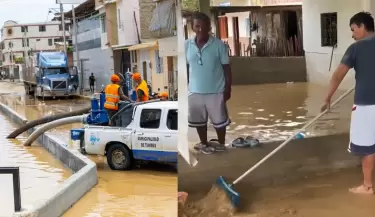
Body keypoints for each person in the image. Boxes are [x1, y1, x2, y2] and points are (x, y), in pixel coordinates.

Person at [321, 12, 375, 194]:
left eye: (353, 29)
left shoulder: (356, 48)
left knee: (368, 145)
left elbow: (338, 75)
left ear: (362, 27)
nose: (352, 34)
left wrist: (328, 97)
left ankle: (367, 186)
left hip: (366, 104)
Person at [185, 12, 232, 154]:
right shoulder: (186, 45)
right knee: (199, 122)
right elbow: (185, 68)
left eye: (204, 26)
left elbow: (227, 69)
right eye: (197, 26)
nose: (200, 29)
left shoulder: (218, 45)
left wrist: (228, 89)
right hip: (195, 91)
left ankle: (222, 143)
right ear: (193, 27)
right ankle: (204, 143)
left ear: (209, 27)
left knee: (219, 122)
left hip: (216, 91)